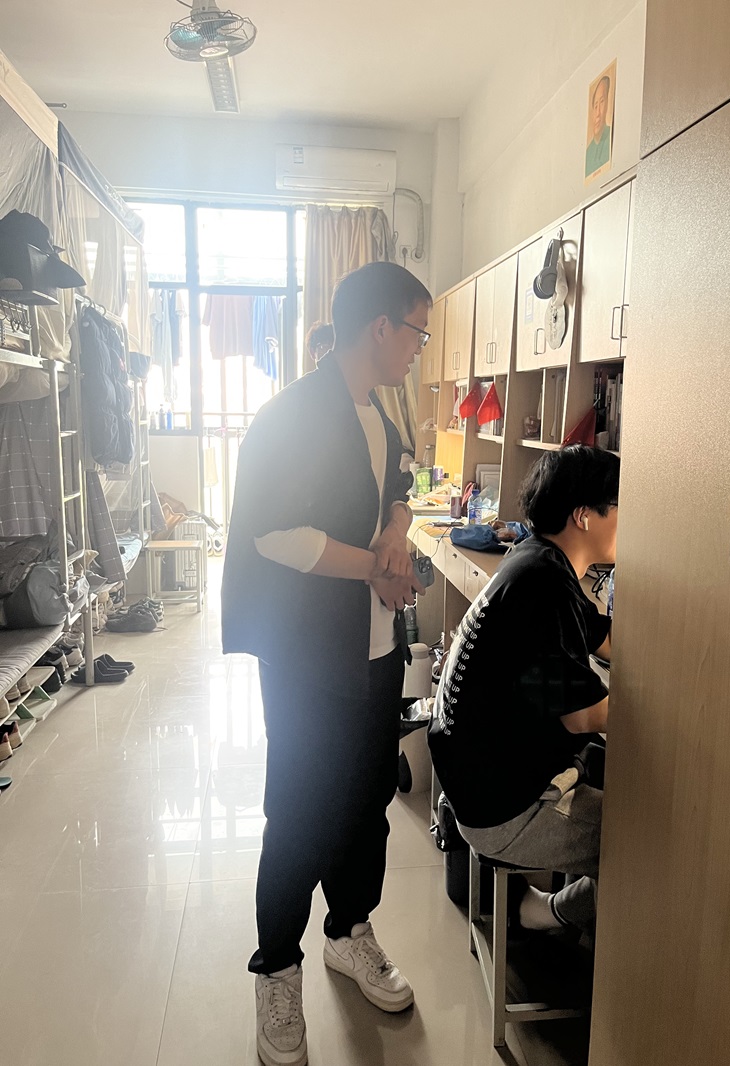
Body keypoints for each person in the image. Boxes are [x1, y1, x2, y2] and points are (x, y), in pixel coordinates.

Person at [222, 261, 432, 1066]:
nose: (417, 347)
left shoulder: (377, 411)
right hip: (309, 654)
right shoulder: (293, 416)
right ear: (380, 327)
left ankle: (348, 931)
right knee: (301, 810)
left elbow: (400, 483)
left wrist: (398, 530)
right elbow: (276, 533)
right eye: (415, 332)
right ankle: (277, 967)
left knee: (367, 800)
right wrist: (375, 566)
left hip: (375, 650)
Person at [428, 445, 619, 935]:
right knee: (646, 841)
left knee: (617, 773)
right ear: (584, 516)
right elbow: (583, 716)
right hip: (501, 811)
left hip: (475, 781)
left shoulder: (539, 559)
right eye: (621, 507)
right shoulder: (543, 586)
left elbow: (607, 640)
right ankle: (549, 914)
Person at [585, 75, 612, 178]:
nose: (598, 113)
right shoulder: (588, 152)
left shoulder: (610, 136)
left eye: (602, 102)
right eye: (595, 106)